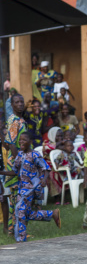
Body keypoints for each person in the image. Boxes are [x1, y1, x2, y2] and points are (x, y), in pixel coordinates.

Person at [0, 132, 61, 241]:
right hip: (22, 187)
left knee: (19, 209)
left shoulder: (35, 155)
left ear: (30, 142)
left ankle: (21, 239)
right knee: (26, 213)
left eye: (24, 140)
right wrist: (2, 172)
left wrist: (43, 179)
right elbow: (15, 172)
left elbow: (46, 168)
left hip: (32, 187)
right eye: (20, 140)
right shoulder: (19, 155)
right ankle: (52, 214)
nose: (21, 142)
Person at [3, 94, 28, 235]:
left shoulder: (20, 120)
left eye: (21, 101)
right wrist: (20, 162)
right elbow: (11, 144)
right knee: (16, 197)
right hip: (16, 163)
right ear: (12, 105)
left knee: (16, 197)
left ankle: (13, 229)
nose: (20, 104)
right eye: (17, 102)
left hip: (18, 161)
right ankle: (15, 229)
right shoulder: (14, 121)